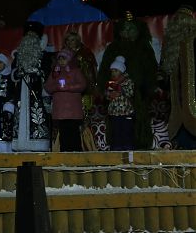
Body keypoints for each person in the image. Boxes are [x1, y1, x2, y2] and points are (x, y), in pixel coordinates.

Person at [97, 12, 156, 150]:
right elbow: (104, 72)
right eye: (124, 29)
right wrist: (107, 90)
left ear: (138, 31)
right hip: (117, 99)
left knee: (138, 126)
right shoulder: (113, 48)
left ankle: (139, 150)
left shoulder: (144, 48)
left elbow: (151, 72)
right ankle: (118, 149)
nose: (128, 32)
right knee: (118, 127)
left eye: (131, 29)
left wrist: (146, 90)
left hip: (139, 96)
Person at [11, 21, 53, 152]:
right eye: (28, 34)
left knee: (37, 114)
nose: (30, 38)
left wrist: (38, 73)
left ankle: (38, 143)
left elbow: (48, 73)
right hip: (21, 91)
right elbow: (13, 73)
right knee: (21, 114)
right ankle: (21, 143)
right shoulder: (19, 55)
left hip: (37, 91)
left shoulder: (44, 55)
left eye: (33, 35)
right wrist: (18, 74)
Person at [160, 5, 196, 149]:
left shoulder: (194, 40)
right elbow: (164, 74)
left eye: (184, 20)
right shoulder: (170, 46)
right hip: (177, 111)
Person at [63, 31, 102, 151]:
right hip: (68, 93)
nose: (70, 43)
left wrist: (93, 87)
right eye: (68, 40)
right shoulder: (63, 55)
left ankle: (85, 145)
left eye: (73, 40)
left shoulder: (86, 53)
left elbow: (93, 72)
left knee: (83, 118)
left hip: (84, 91)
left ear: (78, 40)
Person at [44, 49, 86, 152]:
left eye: (64, 59)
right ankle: (65, 152)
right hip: (61, 110)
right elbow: (47, 86)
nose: (62, 61)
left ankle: (76, 152)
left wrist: (69, 87)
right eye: (60, 59)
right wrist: (56, 87)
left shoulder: (75, 71)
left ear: (69, 59)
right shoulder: (55, 72)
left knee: (73, 131)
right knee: (63, 132)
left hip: (73, 109)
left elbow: (82, 85)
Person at [105, 56, 135, 150]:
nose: (113, 73)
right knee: (116, 132)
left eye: (116, 70)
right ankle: (116, 151)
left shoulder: (128, 81)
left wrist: (120, 89)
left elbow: (130, 93)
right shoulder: (111, 83)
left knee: (126, 132)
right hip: (114, 113)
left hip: (126, 112)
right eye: (112, 71)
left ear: (121, 71)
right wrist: (109, 94)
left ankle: (128, 151)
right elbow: (107, 96)